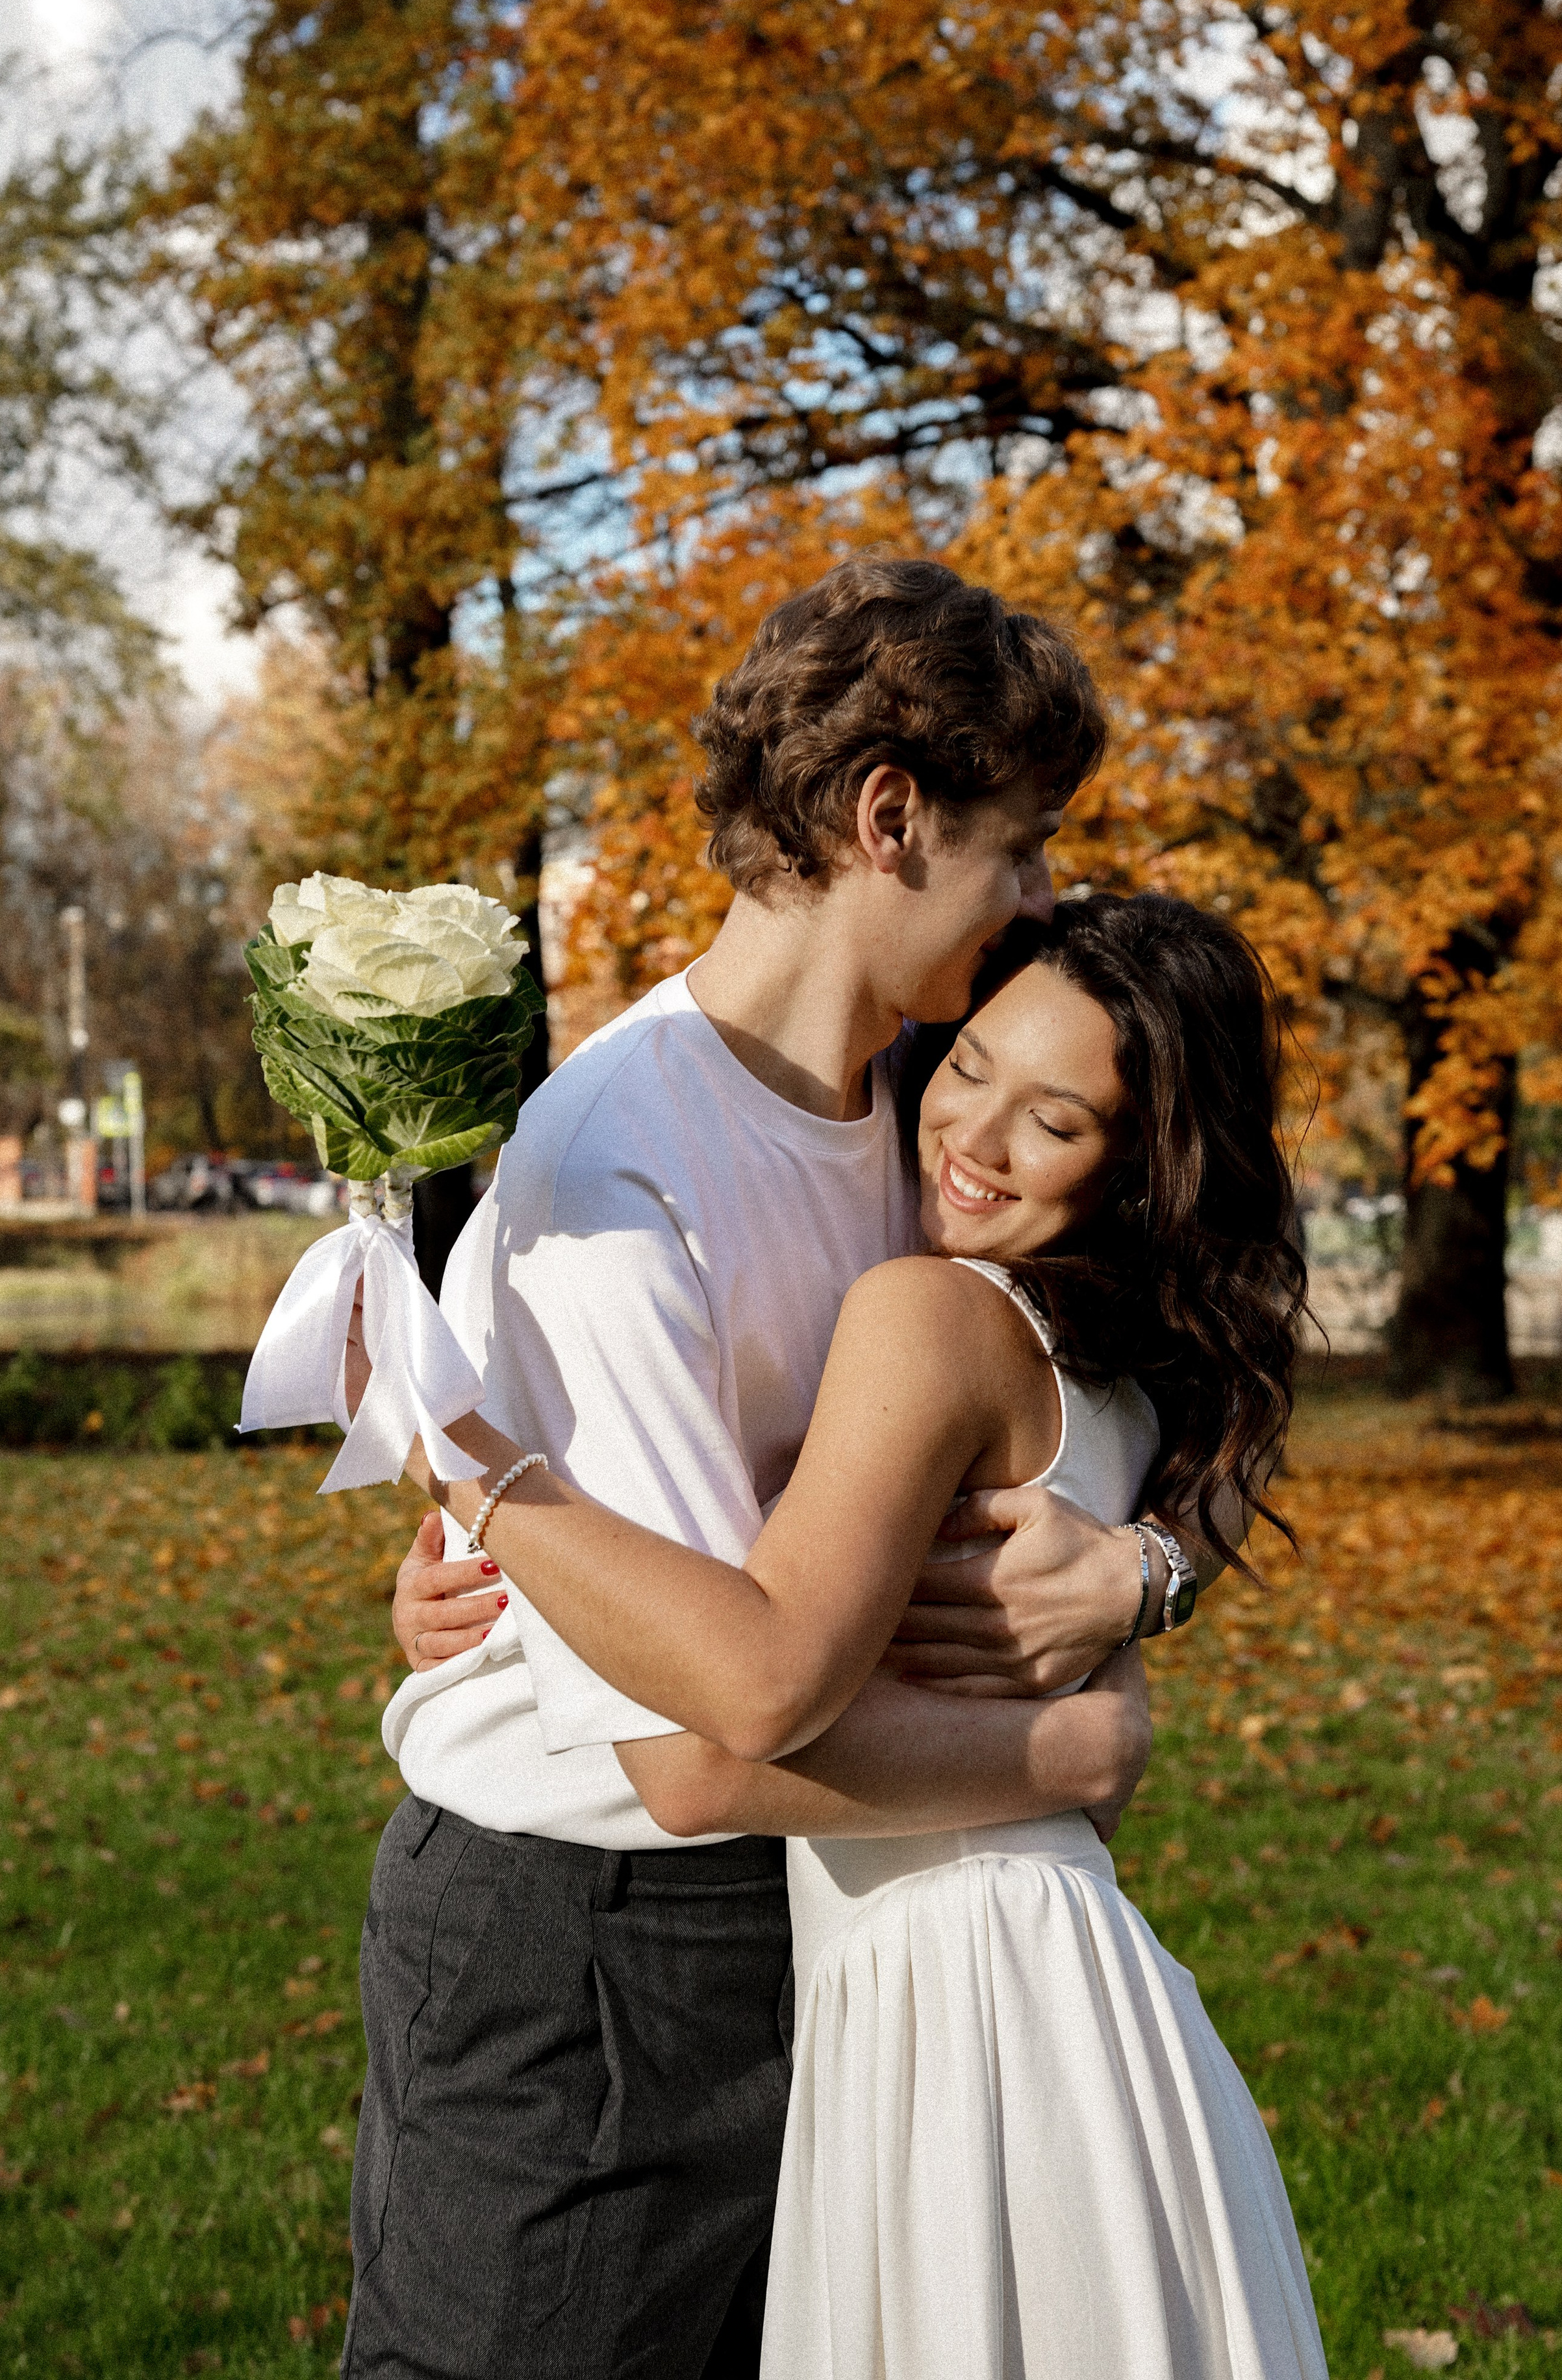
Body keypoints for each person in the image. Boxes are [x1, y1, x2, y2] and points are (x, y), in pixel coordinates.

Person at [343, 560, 1185, 2380]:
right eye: (1020, 848)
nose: (1042, 897)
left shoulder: (926, 1107)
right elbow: (709, 1744)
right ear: (892, 819)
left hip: (830, 1909)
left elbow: (1109, 1390)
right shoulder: (614, 1166)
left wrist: (1149, 1568)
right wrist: (1080, 1745)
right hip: (589, 1946)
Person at [369, 892, 1324, 2379]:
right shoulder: (1098, 1325)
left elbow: (721, 1732)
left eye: (1054, 1119)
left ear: (1138, 1166)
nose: (979, 1133)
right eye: (975, 1068)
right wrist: (1126, 1636)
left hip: (946, 1979)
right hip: (1024, 1957)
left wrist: (462, 1467)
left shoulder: (926, 1306)